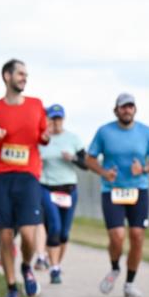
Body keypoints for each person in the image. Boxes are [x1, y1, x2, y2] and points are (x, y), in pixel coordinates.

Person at [0, 58, 49, 297]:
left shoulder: (37, 105)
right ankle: (11, 287)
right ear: (6, 76)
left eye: (26, 74)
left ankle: (26, 266)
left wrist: (47, 135)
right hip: (0, 178)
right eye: (20, 74)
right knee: (5, 235)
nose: (24, 78)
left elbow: (43, 137)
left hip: (28, 176)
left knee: (29, 235)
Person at [86, 93, 149, 297]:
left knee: (137, 236)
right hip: (112, 190)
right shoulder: (104, 132)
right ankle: (114, 267)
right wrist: (103, 172)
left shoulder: (146, 132)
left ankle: (130, 283)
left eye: (130, 107)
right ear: (116, 110)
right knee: (117, 236)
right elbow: (89, 158)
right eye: (123, 107)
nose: (127, 110)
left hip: (139, 190)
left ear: (135, 109)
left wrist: (144, 169)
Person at [39, 104, 86, 284]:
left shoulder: (73, 139)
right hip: (47, 188)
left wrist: (73, 158)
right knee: (55, 227)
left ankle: (56, 263)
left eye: (59, 118)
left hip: (69, 190)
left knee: (64, 233)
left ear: (63, 119)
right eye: (53, 118)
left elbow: (86, 163)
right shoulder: (42, 139)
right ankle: (55, 268)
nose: (56, 122)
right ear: (48, 119)